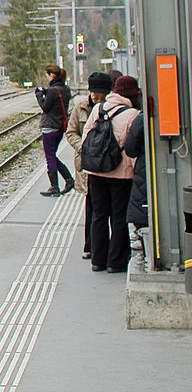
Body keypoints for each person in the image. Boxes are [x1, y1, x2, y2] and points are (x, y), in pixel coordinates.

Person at [82, 76, 142, 273]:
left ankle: (98, 260)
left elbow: (86, 137)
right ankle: (115, 262)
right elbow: (132, 147)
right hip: (121, 175)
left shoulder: (98, 109)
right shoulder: (132, 114)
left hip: (96, 172)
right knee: (118, 217)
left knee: (99, 215)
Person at [65, 71, 112, 259]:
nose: (98, 98)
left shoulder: (113, 108)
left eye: (102, 95)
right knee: (92, 207)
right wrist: (84, 146)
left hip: (109, 164)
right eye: (95, 95)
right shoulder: (81, 107)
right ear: (90, 92)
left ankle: (110, 248)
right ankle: (90, 246)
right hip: (87, 164)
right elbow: (70, 132)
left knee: (110, 208)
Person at [115, 75, 148, 257]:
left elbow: (131, 149)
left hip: (134, 172)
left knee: (104, 214)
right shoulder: (136, 114)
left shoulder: (139, 118)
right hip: (128, 174)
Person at [33, 64, 75, 196]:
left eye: (47, 74)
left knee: (50, 157)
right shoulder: (65, 89)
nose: (46, 77)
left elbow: (45, 107)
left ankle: (54, 187)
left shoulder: (53, 90)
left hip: (49, 127)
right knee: (52, 155)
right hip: (60, 127)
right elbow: (58, 98)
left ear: (52, 75)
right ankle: (68, 180)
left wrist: (39, 95)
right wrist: (46, 92)